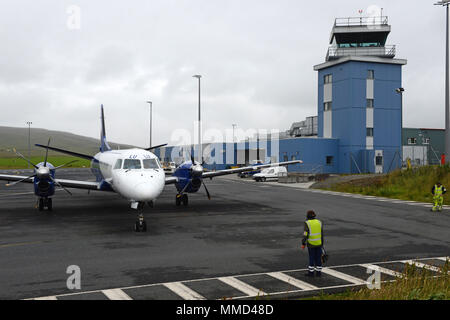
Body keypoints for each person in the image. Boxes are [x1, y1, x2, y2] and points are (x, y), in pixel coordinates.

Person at [301, 210, 324, 277]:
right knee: (318, 258)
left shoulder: (307, 223)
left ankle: (311, 273)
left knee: (312, 258)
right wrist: (322, 243)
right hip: (319, 243)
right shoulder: (319, 222)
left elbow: (305, 234)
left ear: (307, 216)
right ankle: (318, 272)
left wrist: (303, 243)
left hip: (311, 244)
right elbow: (321, 234)